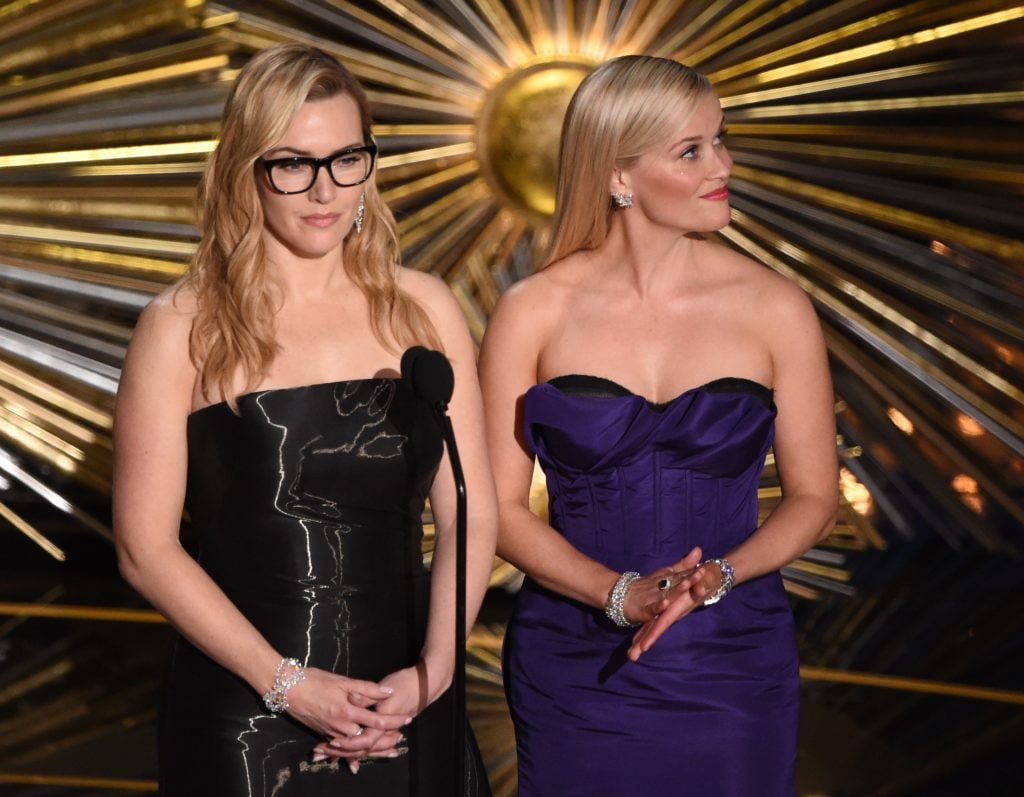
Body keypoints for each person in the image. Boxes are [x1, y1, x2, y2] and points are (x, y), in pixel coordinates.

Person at [113, 43, 496, 796]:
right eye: (292, 163)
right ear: (245, 171)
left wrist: (434, 672)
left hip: (407, 699)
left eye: (346, 158)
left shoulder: (424, 306)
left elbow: (468, 511)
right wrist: (288, 685)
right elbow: (144, 548)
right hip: (246, 712)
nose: (325, 190)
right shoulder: (181, 325)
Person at [479, 55, 838, 795]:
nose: (723, 164)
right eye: (691, 150)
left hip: (734, 658)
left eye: (720, 140)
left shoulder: (776, 307)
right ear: (618, 176)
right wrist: (616, 593)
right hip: (574, 663)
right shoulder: (532, 311)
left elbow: (814, 496)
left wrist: (723, 574)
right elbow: (497, 508)